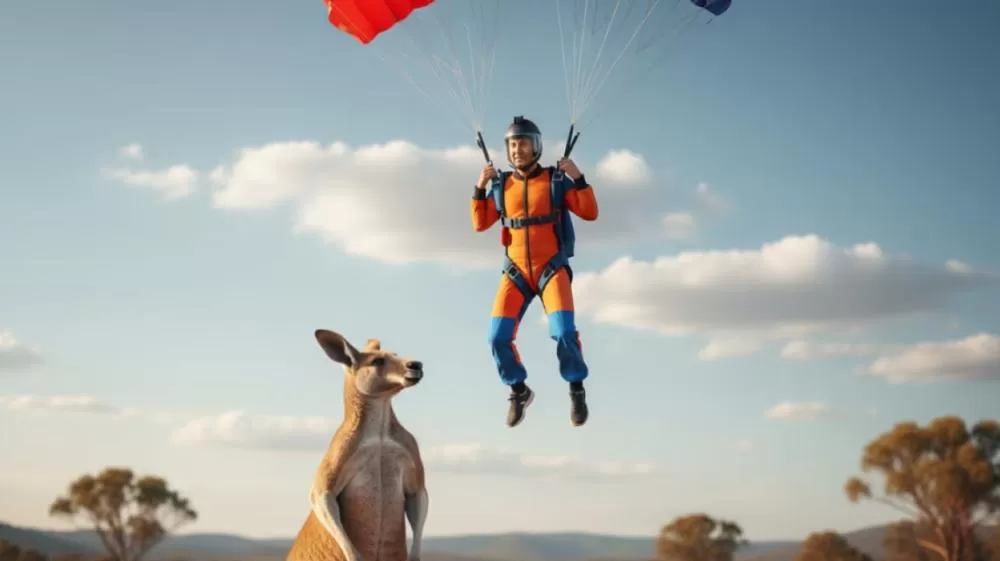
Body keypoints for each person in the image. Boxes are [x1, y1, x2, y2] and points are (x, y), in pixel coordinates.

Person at [470, 116, 599, 428]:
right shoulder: (502, 185)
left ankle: (576, 387)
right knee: (496, 337)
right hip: (515, 272)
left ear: (536, 147)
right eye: (513, 145)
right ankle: (519, 391)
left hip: (551, 269)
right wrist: (480, 186)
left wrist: (578, 177)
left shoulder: (555, 180)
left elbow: (589, 212)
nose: (518, 150)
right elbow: (480, 223)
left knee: (564, 331)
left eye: (523, 144)